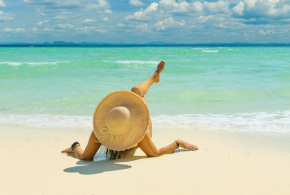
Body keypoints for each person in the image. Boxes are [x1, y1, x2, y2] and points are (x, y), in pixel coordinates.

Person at [61, 61, 198, 160]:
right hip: (140, 124)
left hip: (131, 122)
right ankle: (154, 77)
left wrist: (75, 146)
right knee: (136, 91)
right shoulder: (138, 132)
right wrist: (178, 143)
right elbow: (155, 153)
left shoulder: (102, 132)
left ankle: (155, 76)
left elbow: (85, 157)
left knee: (136, 91)